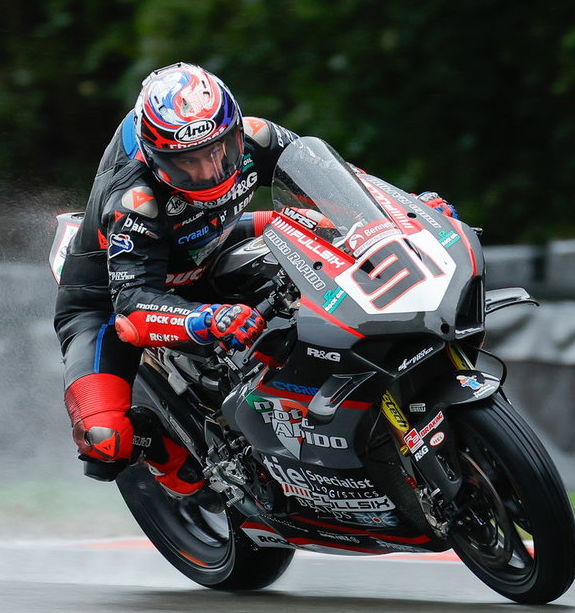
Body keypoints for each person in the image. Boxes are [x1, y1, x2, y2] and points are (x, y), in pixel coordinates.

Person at [52, 61, 457, 495]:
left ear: (235, 130)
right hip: (110, 298)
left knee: (320, 228)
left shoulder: (257, 134)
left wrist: (405, 211)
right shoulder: (134, 199)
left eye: (220, 150)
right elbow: (132, 307)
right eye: (187, 163)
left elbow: (337, 181)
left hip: (215, 241)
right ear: (156, 159)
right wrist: (205, 320)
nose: (211, 170)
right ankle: (160, 448)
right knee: (105, 437)